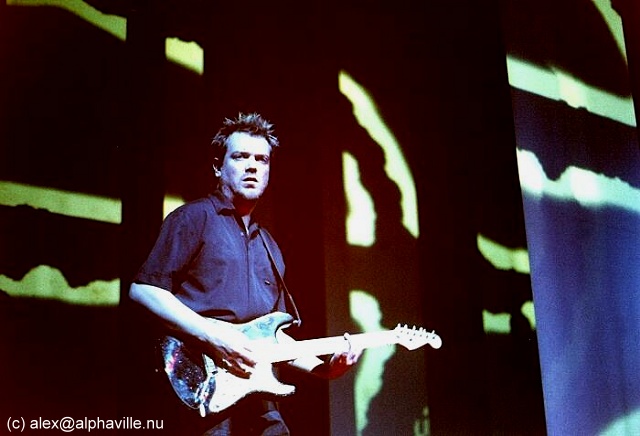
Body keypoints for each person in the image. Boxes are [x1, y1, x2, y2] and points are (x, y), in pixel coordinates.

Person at [129, 112, 360, 435]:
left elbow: (271, 337)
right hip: (203, 389)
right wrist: (214, 337)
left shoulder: (269, 246)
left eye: (261, 160)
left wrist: (325, 369)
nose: (252, 166)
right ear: (218, 165)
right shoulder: (193, 219)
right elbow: (144, 290)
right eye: (240, 157)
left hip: (259, 400)